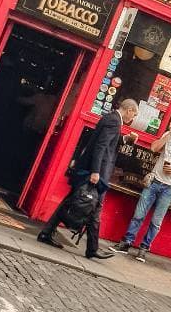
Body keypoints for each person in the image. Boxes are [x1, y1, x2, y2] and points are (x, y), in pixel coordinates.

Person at [37, 96, 139, 259]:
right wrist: (95, 172)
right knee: (96, 207)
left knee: (73, 202)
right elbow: (100, 147)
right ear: (129, 110)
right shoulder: (114, 121)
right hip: (95, 172)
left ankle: (47, 233)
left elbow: (107, 142)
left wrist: (125, 139)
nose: (132, 119)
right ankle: (92, 249)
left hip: (91, 169)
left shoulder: (110, 118)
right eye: (134, 115)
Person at [115, 113, 171, 262]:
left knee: (156, 221)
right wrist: (169, 135)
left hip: (170, 187)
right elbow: (154, 148)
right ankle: (126, 242)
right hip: (154, 181)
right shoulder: (169, 134)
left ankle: (143, 249)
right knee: (139, 214)